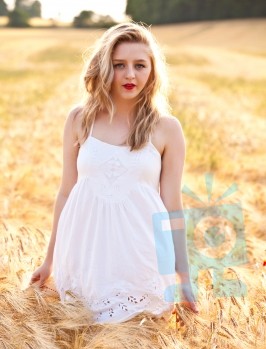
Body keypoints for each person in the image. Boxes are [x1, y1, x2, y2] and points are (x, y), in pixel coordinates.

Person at [29, 22, 199, 323]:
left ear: (152, 71)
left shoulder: (167, 129)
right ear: (105, 68)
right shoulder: (80, 119)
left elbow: (172, 206)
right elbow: (67, 191)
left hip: (141, 255)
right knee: (81, 342)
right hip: (86, 254)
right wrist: (49, 261)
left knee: (140, 344)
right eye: (119, 65)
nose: (130, 74)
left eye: (139, 65)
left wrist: (182, 276)